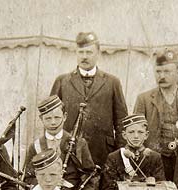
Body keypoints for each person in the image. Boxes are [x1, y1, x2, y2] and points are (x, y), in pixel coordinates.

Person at [22, 95, 98, 190]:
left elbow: (91, 176)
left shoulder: (78, 143)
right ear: (41, 119)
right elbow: (29, 177)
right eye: (48, 118)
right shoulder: (35, 146)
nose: (53, 123)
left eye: (57, 117)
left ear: (64, 116)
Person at [51, 31, 128, 167]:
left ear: (98, 52)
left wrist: (120, 154)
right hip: (68, 152)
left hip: (103, 153)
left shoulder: (112, 82)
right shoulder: (62, 81)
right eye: (81, 52)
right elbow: (51, 118)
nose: (84, 57)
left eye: (89, 52)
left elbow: (121, 122)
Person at [133, 49, 178, 180]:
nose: (162, 76)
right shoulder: (144, 99)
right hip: (155, 163)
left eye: (167, 71)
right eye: (158, 71)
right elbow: (136, 133)